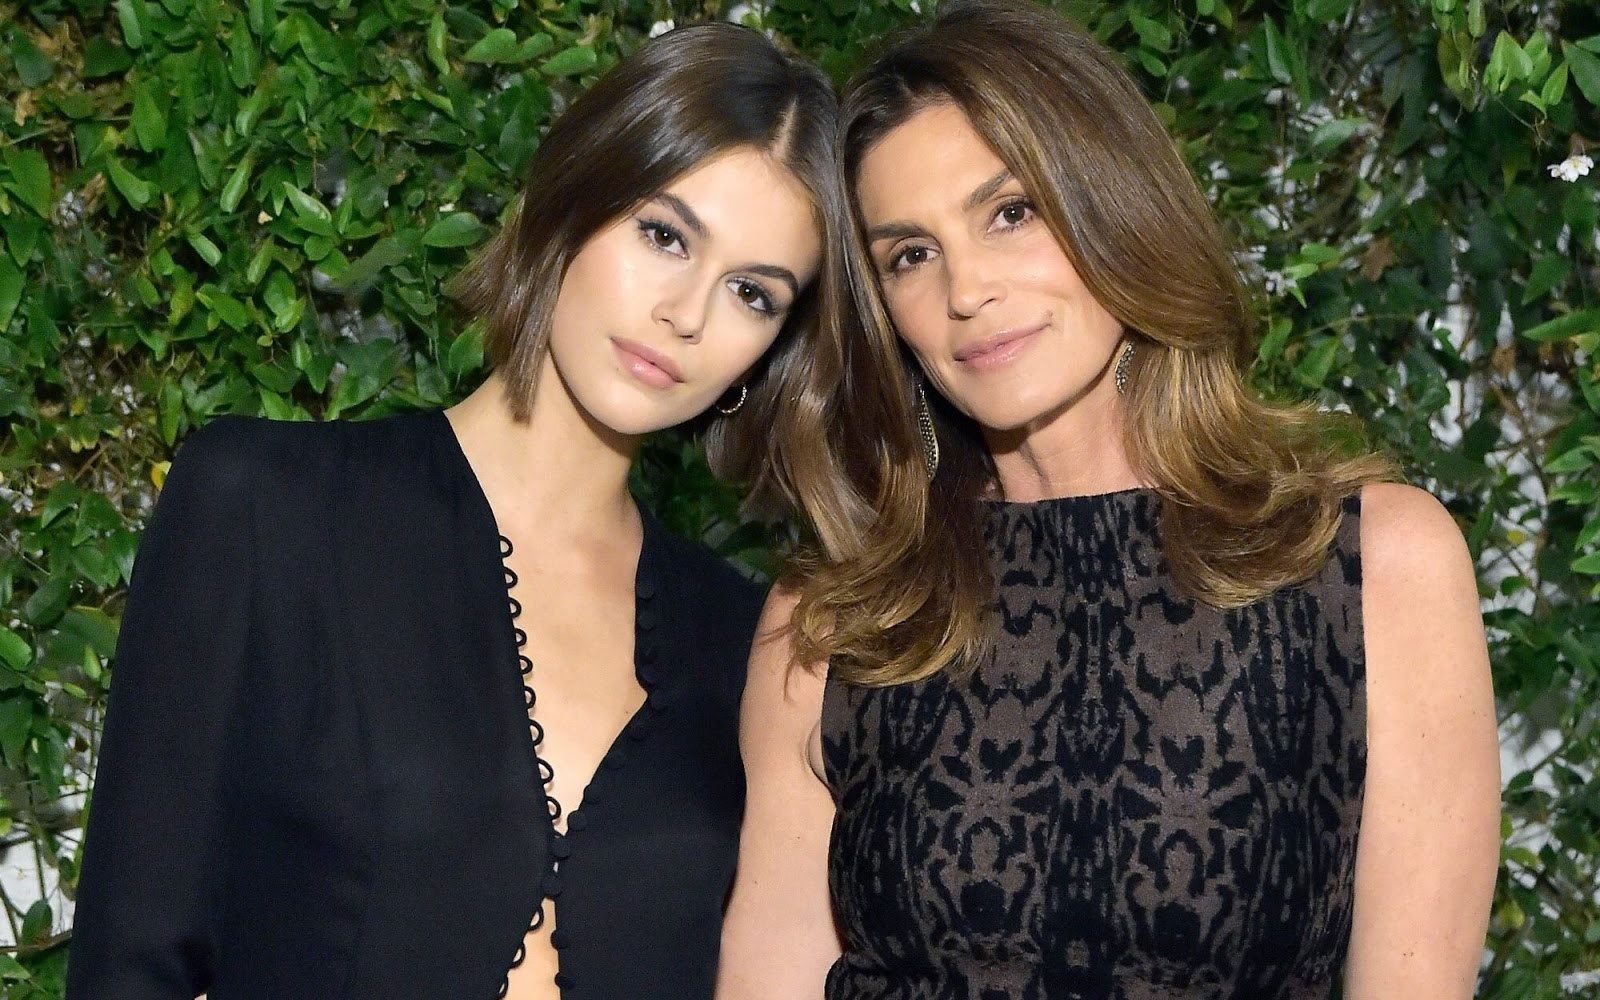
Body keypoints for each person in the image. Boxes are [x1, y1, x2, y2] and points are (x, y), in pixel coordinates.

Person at [717, 2, 1501, 998]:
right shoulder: (836, 621)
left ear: (1113, 209)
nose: (966, 290)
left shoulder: (1370, 565)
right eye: (910, 254)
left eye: (1011, 213)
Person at [67, 21, 840, 1000]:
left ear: (772, 351)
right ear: (572, 200)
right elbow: (130, 959)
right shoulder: (266, 508)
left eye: (752, 293)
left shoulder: (746, 640)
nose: (686, 314)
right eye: (663, 235)